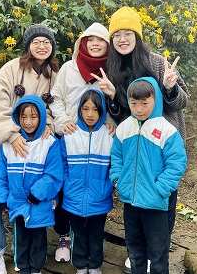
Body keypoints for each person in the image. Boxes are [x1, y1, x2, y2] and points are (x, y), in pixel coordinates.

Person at [91, 6, 190, 273]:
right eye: (116, 35)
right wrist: (112, 97)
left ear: (137, 35)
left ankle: (156, 254)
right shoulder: (112, 70)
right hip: (135, 148)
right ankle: (140, 254)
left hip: (162, 144)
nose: (122, 39)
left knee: (163, 205)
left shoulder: (157, 63)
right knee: (135, 208)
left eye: (128, 33)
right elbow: (124, 115)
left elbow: (182, 102)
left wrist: (170, 87)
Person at [0, 24, 59, 274]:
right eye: (37, 41)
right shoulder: (11, 70)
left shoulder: (54, 76)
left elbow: (59, 107)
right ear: (28, 46)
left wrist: (51, 124)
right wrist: (12, 135)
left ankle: (30, 259)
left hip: (34, 156)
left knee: (31, 200)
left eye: (47, 42)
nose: (42, 46)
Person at [49, 22, 115, 262]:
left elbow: (114, 101)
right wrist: (64, 121)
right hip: (69, 134)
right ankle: (64, 236)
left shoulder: (112, 69)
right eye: (90, 40)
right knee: (65, 189)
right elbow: (56, 98)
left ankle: (90, 240)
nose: (95, 44)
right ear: (82, 43)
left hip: (97, 137)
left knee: (91, 183)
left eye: (100, 40)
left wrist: (111, 123)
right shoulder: (69, 68)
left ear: (108, 44)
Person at [110, 77, 187, 274]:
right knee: (135, 250)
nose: (139, 109)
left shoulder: (166, 131)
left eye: (145, 103)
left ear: (155, 100)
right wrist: (119, 180)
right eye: (134, 103)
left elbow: (177, 164)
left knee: (158, 253)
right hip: (131, 202)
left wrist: (161, 188)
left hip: (155, 203)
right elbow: (116, 156)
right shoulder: (124, 128)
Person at [0, 96, 63, 274]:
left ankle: (36, 268)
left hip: (39, 202)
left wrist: (38, 193)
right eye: (23, 117)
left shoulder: (50, 143)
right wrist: (2, 198)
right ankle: (23, 267)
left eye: (33, 117)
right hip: (17, 201)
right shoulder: (8, 145)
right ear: (18, 117)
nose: (28, 122)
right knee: (21, 238)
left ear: (41, 117)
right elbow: (1, 175)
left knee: (39, 238)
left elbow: (53, 175)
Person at [59, 90, 114, 274]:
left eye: (95, 109)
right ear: (79, 110)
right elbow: (62, 165)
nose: (90, 114)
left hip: (100, 198)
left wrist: (108, 186)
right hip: (73, 197)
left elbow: (114, 166)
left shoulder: (109, 136)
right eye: (85, 109)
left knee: (96, 235)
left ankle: (95, 265)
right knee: (78, 234)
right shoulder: (70, 135)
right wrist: (67, 185)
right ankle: (80, 265)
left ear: (102, 111)